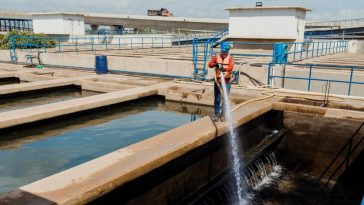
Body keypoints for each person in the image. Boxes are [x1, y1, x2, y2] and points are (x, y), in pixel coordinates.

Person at [208, 42, 234, 122]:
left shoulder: (230, 58)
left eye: (225, 52)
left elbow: (231, 67)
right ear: (221, 51)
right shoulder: (216, 57)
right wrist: (215, 64)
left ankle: (223, 115)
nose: (224, 54)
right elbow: (210, 64)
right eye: (223, 52)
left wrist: (225, 69)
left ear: (228, 52)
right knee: (217, 98)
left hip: (226, 81)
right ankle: (217, 114)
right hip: (218, 82)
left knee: (225, 98)